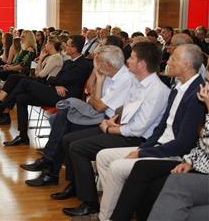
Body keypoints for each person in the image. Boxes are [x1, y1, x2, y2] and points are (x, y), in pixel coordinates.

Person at [57, 42, 170, 217]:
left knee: (77, 147)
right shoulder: (139, 83)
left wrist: (109, 128)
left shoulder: (156, 90)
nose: (127, 61)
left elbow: (138, 129)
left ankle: (90, 202)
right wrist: (112, 121)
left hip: (137, 139)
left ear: (141, 64)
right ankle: (78, 187)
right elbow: (124, 109)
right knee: (69, 139)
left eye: (131, 57)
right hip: (120, 127)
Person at [95, 44, 205, 221]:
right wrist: (143, 148)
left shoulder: (197, 93)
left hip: (173, 154)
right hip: (158, 146)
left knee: (116, 167)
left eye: (173, 58)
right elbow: (161, 127)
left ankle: (108, 216)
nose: (168, 61)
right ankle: (112, 209)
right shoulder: (178, 87)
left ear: (186, 65)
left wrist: (143, 152)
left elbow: (183, 143)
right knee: (103, 157)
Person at [21, 45, 133, 187]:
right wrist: (98, 80)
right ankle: (50, 169)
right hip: (99, 115)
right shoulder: (109, 74)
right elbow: (92, 95)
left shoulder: (124, 79)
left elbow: (96, 105)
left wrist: (92, 97)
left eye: (97, 62)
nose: (95, 65)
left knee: (64, 121)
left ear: (107, 64)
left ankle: (50, 167)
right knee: (62, 116)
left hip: (108, 120)